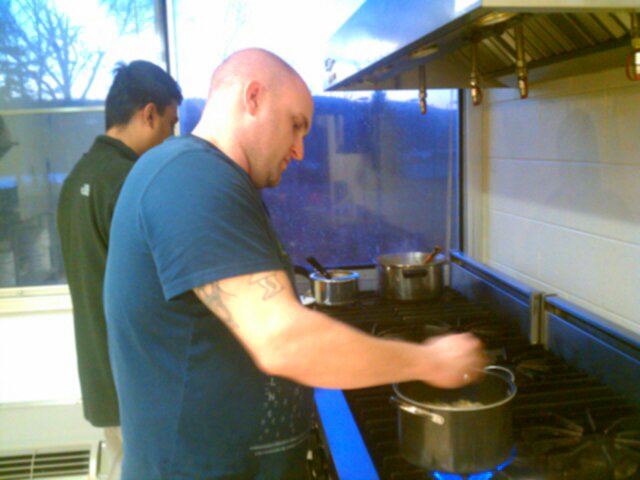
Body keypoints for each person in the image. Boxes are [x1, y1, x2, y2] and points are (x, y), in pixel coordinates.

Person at [104, 48, 487, 480]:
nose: (301, 150)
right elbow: (283, 341)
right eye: (296, 125)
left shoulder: (202, 176)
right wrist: (429, 362)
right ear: (253, 98)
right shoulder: (190, 178)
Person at [57, 60, 182, 480]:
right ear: (149, 114)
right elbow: (162, 284)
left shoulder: (77, 178)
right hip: (138, 383)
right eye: (170, 124)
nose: (171, 137)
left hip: (103, 379)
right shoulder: (133, 181)